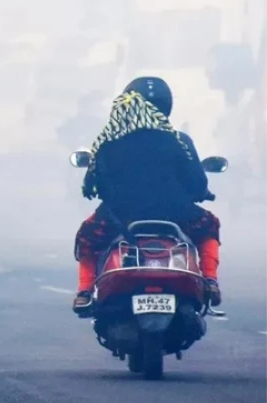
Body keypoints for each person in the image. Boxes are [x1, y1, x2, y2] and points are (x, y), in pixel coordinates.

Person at [73, 76, 221, 314]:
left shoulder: (109, 141)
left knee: (87, 238)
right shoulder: (179, 141)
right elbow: (196, 184)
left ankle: (84, 292)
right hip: (178, 214)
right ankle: (210, 281)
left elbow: (96, 186)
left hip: (119, 217)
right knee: (209, 227)